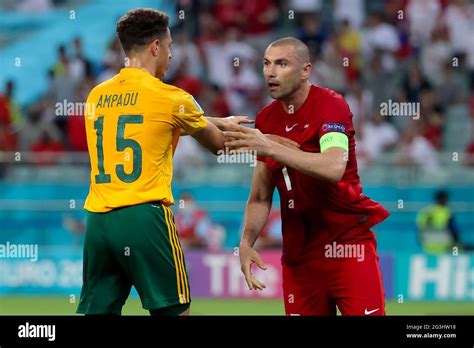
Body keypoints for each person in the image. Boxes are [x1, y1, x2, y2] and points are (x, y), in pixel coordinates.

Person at [77, 9, 253, 317]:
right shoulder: (173, 97)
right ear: (155, 47)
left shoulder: (96, 95)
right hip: (144, 216)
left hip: (98, 221)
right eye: (170, 47)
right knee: (174, 312)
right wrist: (267, 143)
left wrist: (211, 119)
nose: (171, 55)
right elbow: (218, 145)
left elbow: (147, 121)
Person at [224, 37, 390, 316]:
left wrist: (269, 146)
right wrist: (246, 241)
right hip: (299, 258)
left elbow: (333, 166)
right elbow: (261, 196)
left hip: (347, 248)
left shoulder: (331, 105)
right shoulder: (265, 119)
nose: (270, 72)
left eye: (282, 63)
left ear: (305, 70)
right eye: (266, 64)